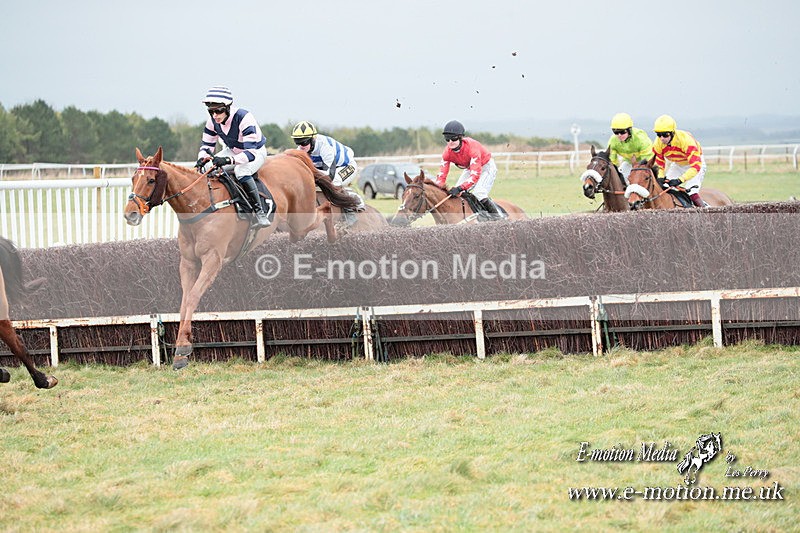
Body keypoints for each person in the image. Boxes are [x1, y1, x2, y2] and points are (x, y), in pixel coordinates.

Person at [195, 85, 270, 227]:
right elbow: (206, 145)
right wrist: (202, 158)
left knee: (241, 171)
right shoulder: (212, 121)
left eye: (218, 111)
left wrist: (228, 160)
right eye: (211, 111)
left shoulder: (244, 118)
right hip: (234, 150)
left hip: (255, 151)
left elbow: (250, 153)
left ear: (228, 107)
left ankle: (259, 212)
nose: (215, 115)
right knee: (207, 168)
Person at [290, 121, 365, 224]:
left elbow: (329, 176)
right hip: (324, 169)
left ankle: (349, 210)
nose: (301, 146)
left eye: (304, 142)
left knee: (335, 181)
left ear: (313, 139)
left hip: (346, 166)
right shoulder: (300, 150)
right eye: (297, 142)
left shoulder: (325, 147)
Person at [434, 120, 505, 220]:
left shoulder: (472, 148)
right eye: (447, 139)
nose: (450, 142)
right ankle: (474, 215)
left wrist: (459, 188)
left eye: (453, 139)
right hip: (470, 168)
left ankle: (500, 218)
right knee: (458, 195)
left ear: (460, 138)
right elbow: (441, 176)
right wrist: (436, 190)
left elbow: (475, 176)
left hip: (486, 166)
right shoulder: (447, 153)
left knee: (479, 193)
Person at [651, 114, 707, 208]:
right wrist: (660, 177)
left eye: (665, 135)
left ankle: (706, 213)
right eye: (658, 135)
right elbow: (660, 164)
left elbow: (695, 167)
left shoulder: (686, 141)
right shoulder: (657, 143)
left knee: (691, 191)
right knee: (664, 187)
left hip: (695, 164)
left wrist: (680, 180)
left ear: (672, 133)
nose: (662, 138)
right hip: (678, 165)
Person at [607, 112, 653, 182]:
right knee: (618, 179)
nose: (619, 135)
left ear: (629, 130)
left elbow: (647, 161)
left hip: (646, 163)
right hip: (628, 162)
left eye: (622, 132)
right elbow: (612, 163)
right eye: (615, 132)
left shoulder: (641, 139)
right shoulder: (613, 141)